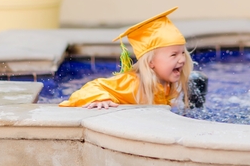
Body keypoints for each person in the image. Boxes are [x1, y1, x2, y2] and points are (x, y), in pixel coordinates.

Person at [59, 7, 193, 109]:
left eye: (182, 53)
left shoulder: (166, 84)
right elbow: (91, 87)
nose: (182, 59)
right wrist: (100, 99)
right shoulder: (133, 84)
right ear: (151, 62)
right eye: (174, 55)